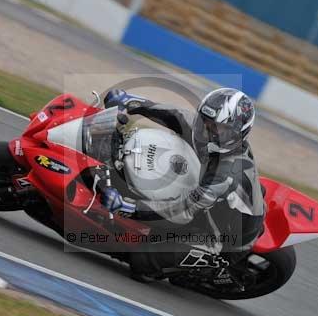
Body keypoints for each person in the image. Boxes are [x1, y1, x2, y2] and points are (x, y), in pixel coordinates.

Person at [101, 88, 265, 281]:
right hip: (212, 203)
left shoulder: (225, 175)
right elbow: (177, 116)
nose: (207, 131)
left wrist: (128, 207)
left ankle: (202, 269)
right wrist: (130, 101)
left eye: (217, 128)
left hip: (221, 237)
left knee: (142, 260)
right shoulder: (213, 137)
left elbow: (182, 211)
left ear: (237, 132)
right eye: (205, 122)